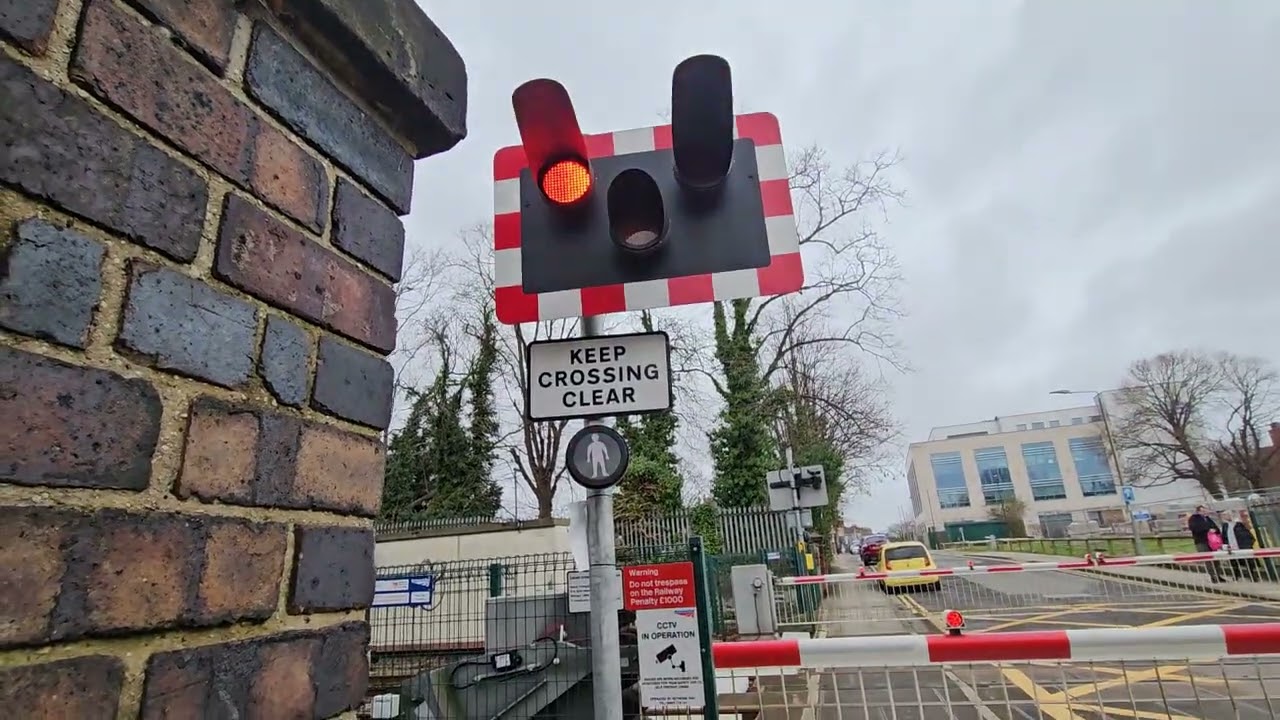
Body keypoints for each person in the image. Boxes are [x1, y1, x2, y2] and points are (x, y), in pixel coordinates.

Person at [1220, 510, 1261, 581]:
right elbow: (1224, 536)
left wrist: (1248, 544)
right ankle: (1236, 576)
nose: (1224, 517)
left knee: (1248, 562)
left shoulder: (1239, 524)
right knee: (1234, 563)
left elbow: (1247, 534)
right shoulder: (1225, 526)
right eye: (1224, 515)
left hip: (1241, 546)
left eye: (1226, 515)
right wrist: (1226, 545)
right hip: (1231, 547)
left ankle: (1253, 576)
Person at [1187, 505, 1223, 583]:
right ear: (1198, 511)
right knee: (1207, 559)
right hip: (1201, 541)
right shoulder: (1194, 519)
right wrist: (1208, 530)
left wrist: (1215, 530)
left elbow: (1216, 528)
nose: (1205, 512)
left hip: (1212, 542)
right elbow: (1194, 528)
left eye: (1205, 510)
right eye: (1203, 511)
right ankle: (1212, 576)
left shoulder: (1208, 519)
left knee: (1216, 559)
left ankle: (1218, 575)